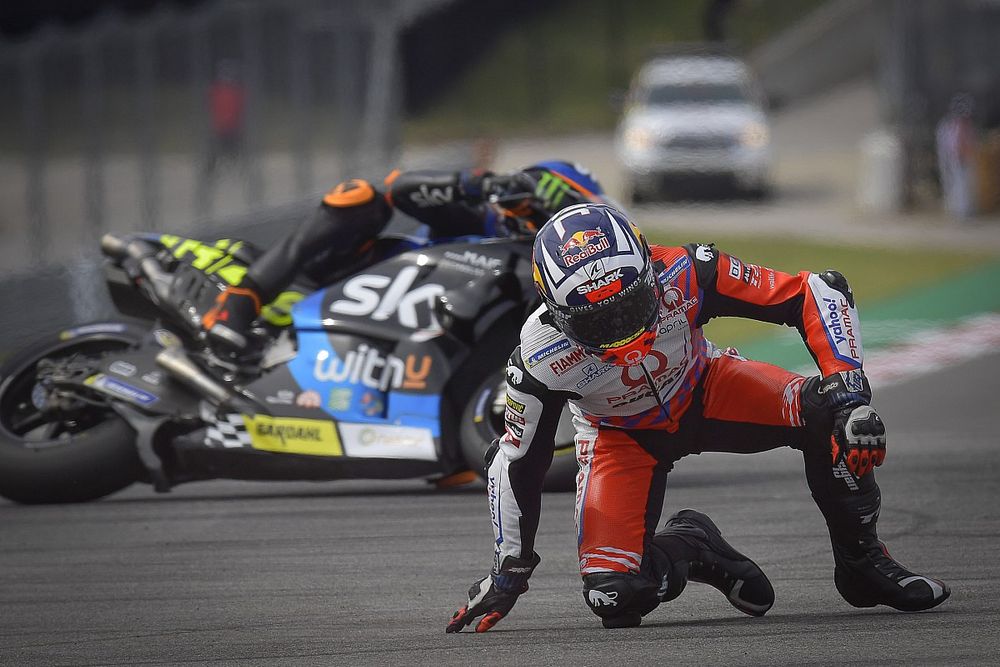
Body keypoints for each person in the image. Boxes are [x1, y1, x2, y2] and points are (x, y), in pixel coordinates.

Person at [446, 203, 950, 632]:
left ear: (648, 265)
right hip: (620, 438)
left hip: (707, 387)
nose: (622, 331)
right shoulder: (537, 357)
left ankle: (864, 564)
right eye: (597, 321)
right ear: (554, 310)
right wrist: (509, 569)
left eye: (629, 304)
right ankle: (693, 544)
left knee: (837, 415)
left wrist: (849, 387)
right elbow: (513, 462)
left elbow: (815, 290)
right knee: (614, 597)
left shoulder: (688, 269)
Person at [201, 160, 608, 353]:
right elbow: (402, 188)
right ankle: (238, 301)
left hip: (397, 346)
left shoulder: (543, 281)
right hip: (348, 278)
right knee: (362, 198)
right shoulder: (477, 219)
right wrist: (484, 185)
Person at [936, 93, 978, 219]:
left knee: (964, 185)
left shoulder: (963, 125)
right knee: (957, 185)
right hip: (956, 159)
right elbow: (954, 145)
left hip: (962, 159)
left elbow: (968, 142)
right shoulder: (950, 125)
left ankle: (963, 211)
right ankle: (960, 211)